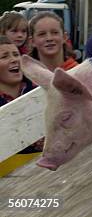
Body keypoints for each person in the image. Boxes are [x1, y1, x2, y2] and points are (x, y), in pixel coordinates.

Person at [0, 35, 42, 176]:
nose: (14, 59)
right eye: (4, 56)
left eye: (16, 54)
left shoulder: (41, 90)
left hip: (45, 173)